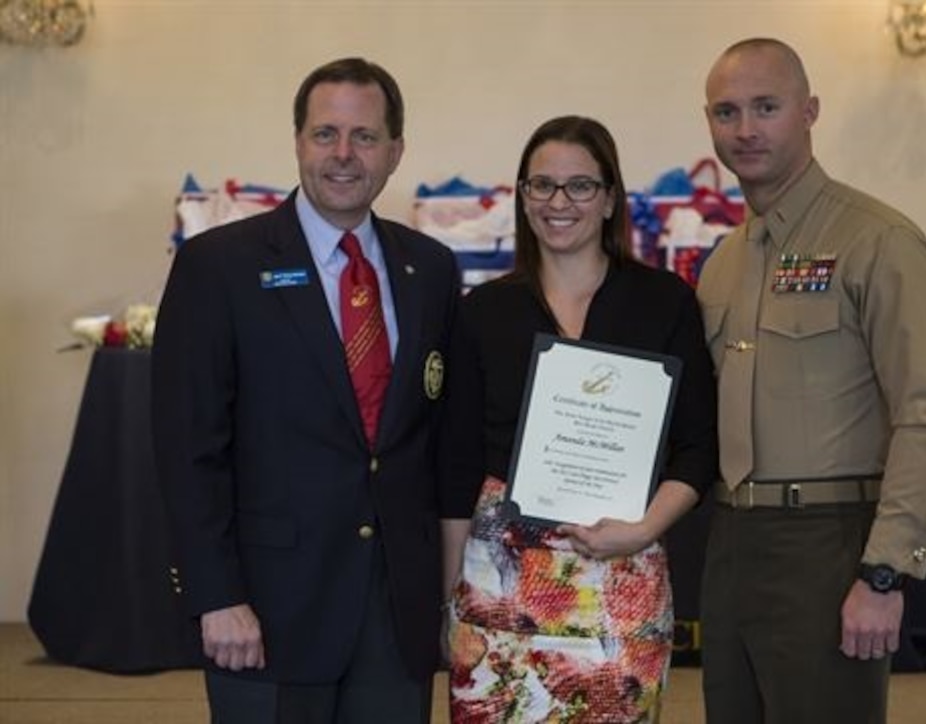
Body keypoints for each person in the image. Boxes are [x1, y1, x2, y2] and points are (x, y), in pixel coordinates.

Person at [151, 57, 460, 723]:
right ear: (298, 141)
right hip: (264, 611)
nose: (344, 155)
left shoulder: (430, 269)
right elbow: (186, 449)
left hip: (393, 614)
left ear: (396, 151)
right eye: (326, 134)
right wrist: (215, 595)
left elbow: (436, 442)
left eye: (365, 136)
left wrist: (446, 596)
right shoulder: (218, 267)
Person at [696, 38, 926, 723]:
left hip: (829, 544)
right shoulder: (723, 262)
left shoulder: (878, 240)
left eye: (766, 106)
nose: (746, 129)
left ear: (809, 110)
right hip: (730, 544)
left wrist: (886, 573)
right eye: (726, 112)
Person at [439, 115, 718, 722]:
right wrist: (450, 599)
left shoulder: (665, 301)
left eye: (580, 186)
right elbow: (456, 465)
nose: (558, 202)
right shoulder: (482, 311)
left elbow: (698, 448)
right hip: (499, 592)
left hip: (623, 577)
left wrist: (644, 529)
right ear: (522, 195)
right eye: (541, 185)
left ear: (611, 196)